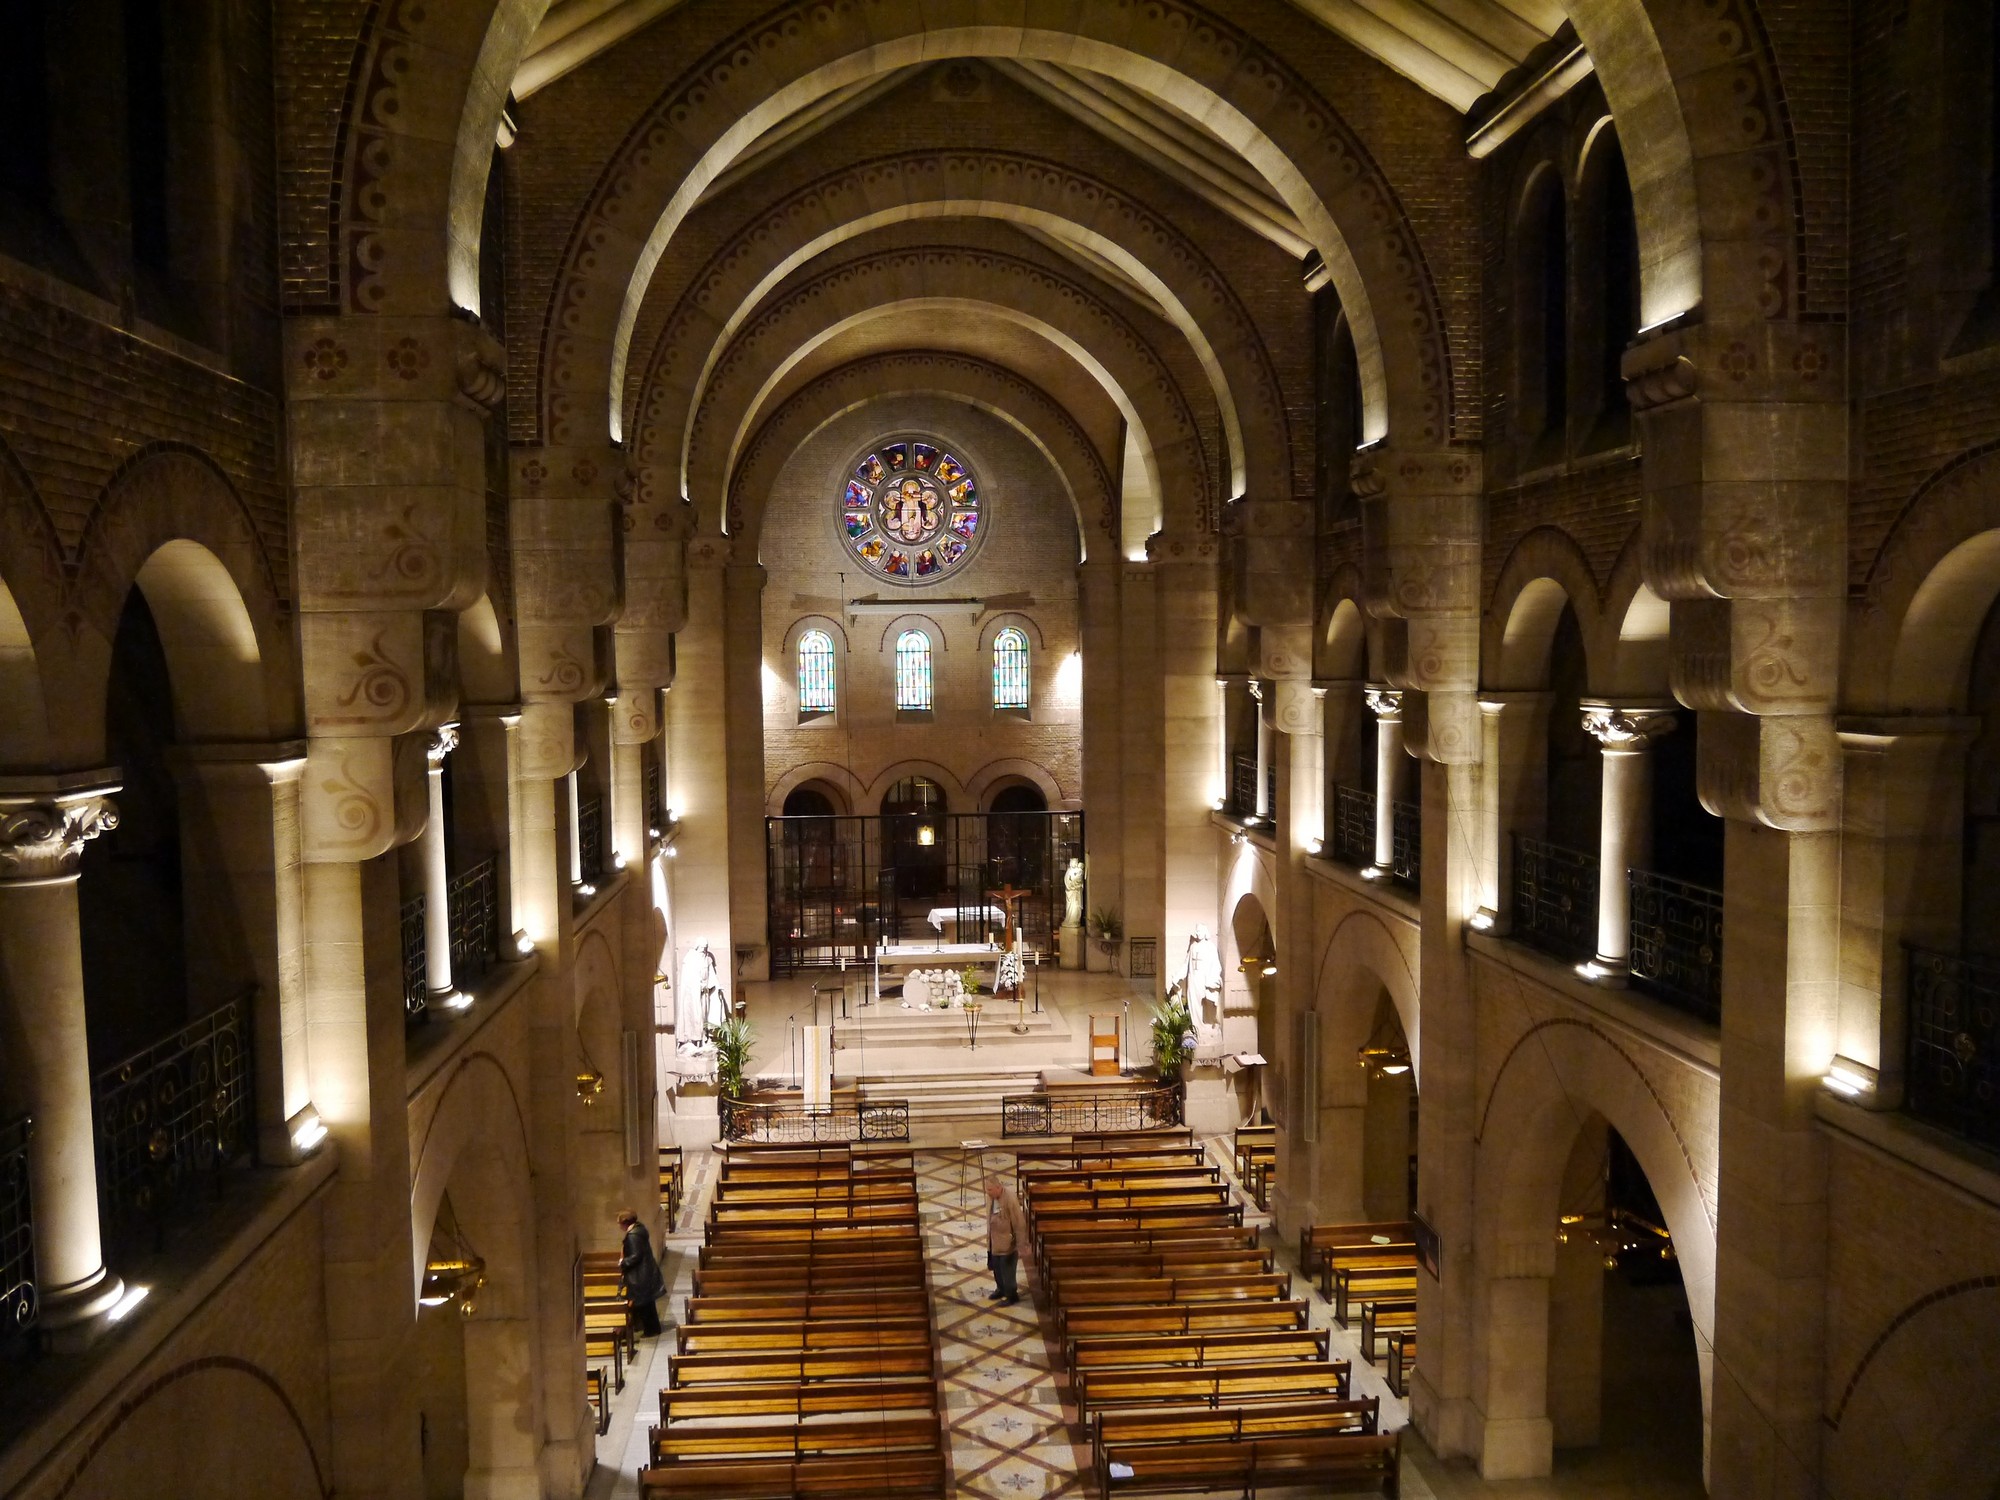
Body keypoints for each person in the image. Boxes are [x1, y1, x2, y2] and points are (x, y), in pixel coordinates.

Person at [616, 1208, 665, 1337]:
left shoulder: (633, 1236)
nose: (619, 1226)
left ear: (625, 1222)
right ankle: (649, 1327)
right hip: (644, 1272)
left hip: (639, 1275)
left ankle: (651, 1330)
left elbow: (635, 1256)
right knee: (647, 1303)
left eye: (619, 1223)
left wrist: (623, 1262)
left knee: (644, 1304)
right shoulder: (639, 1229)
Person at [983, 1174, 1029, 1305]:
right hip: (994, 1242)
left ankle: (1011, 1295)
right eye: (986, 1189)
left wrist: (1020, 1244)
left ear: (998, 1187)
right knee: (997, 1269)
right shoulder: (990, 1198)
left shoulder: (1010, 1198)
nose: (988, 1192)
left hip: (1007, 1244)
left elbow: (1019, 1223)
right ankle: (1001, 1289)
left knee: (1007, 1272)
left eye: (990, 1190)